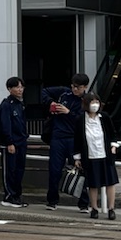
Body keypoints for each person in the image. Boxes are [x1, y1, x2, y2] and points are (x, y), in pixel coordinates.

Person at [41, 73, 90, 208]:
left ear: (85, 87)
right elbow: (44, 92)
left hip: (76, 139)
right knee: (54, 170)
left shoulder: (87, 100)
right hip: (57, 136)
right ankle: (52, 201)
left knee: (81, 170)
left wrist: (68, 112)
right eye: (73, 86)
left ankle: (84, 203)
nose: (74, 89)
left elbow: (84, 121)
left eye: (78, 87)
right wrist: (51, 103)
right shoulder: (64, 93)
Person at [73, 92, 120, 220]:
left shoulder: (104, 117)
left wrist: (114, 146)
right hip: (90, 155)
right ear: (86, 104)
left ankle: (111, 209)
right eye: (92, 102)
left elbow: (112, 133)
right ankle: (94, 208)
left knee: (110, 182)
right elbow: (77, 139)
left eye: (97, 102)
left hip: (105, 154)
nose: (95, 105)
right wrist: (77, 158)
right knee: (93, 183)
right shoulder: (80, 119)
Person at [0, 76, 28, 206]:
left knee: (19, 170)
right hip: (11, 143)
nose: (20, 89)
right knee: (10, 170)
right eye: (17, 87)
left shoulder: (20, 104)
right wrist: (9, 142)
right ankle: (9, 196)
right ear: (10, 89)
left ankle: (17, 195)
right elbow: (5, 125)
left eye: (21, 87)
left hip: (21, 142)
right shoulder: (6, 105)